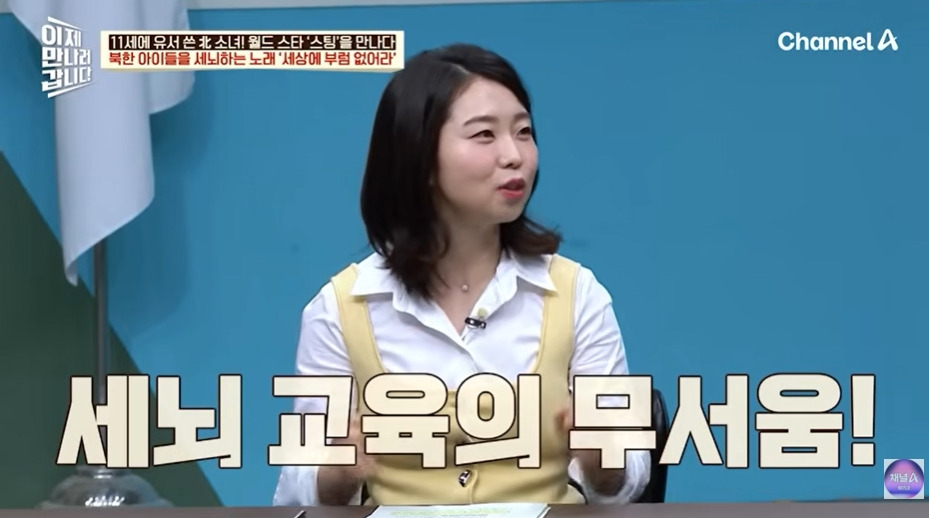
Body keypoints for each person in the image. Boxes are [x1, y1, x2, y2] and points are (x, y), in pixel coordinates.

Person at [272, 43, 650, 507]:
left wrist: (602, 458)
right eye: (485, 135)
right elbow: (296, 494)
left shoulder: (577, 294)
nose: (514, 155)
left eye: (524, 132)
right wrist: (335, 472)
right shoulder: (340, 309)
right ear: (418, 155)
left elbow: (628, 482)